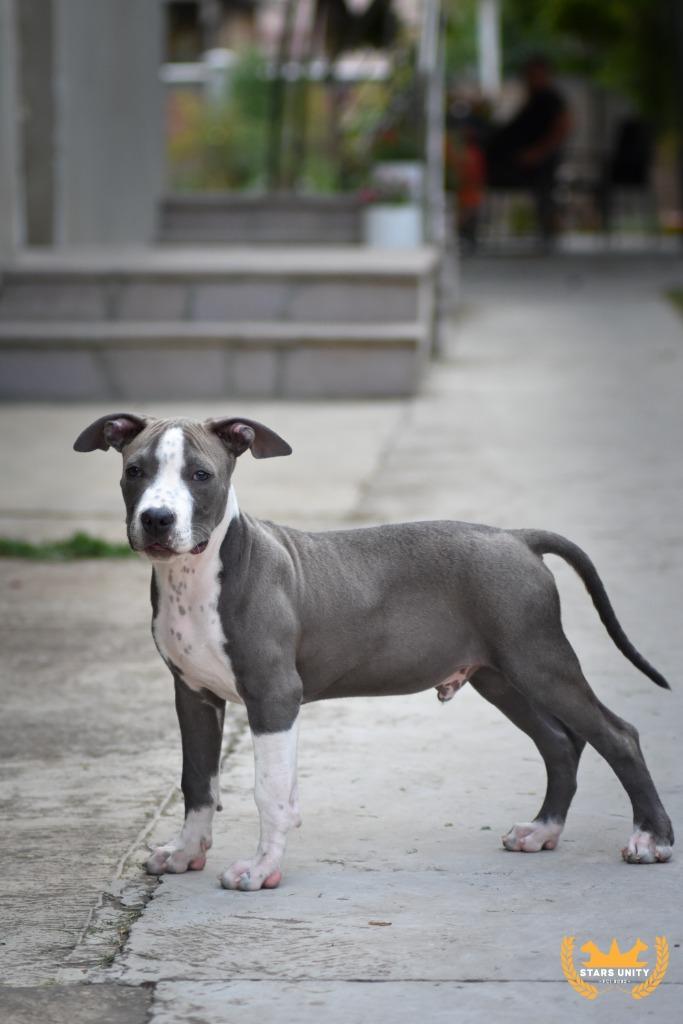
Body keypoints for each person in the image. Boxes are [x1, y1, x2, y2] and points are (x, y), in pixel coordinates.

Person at [486, 55, 572, 243]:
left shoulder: (551, 99)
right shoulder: (534, 99)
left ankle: (550, 228)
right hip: (514, 158)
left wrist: (537, 153)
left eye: (536, 75)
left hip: (534, 163)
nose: (532, 80)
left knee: (543, 192)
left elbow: (563, 127)